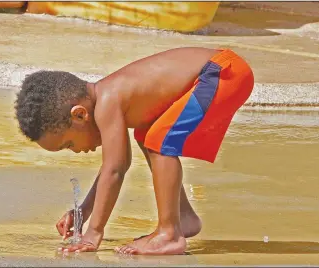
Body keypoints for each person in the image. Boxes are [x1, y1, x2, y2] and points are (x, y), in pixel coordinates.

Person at [14, 47, 254, 255]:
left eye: (69, 144)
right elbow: (117, 164)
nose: (76, 152)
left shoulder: (108, 100)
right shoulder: (107, 98)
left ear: (79, 114)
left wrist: (93, 233)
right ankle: (183, 218)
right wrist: (81, 214)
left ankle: (169, 234)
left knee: (159, 140)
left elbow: (115, 170)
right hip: (220, 72)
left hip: (221, 72)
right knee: (147, 135)